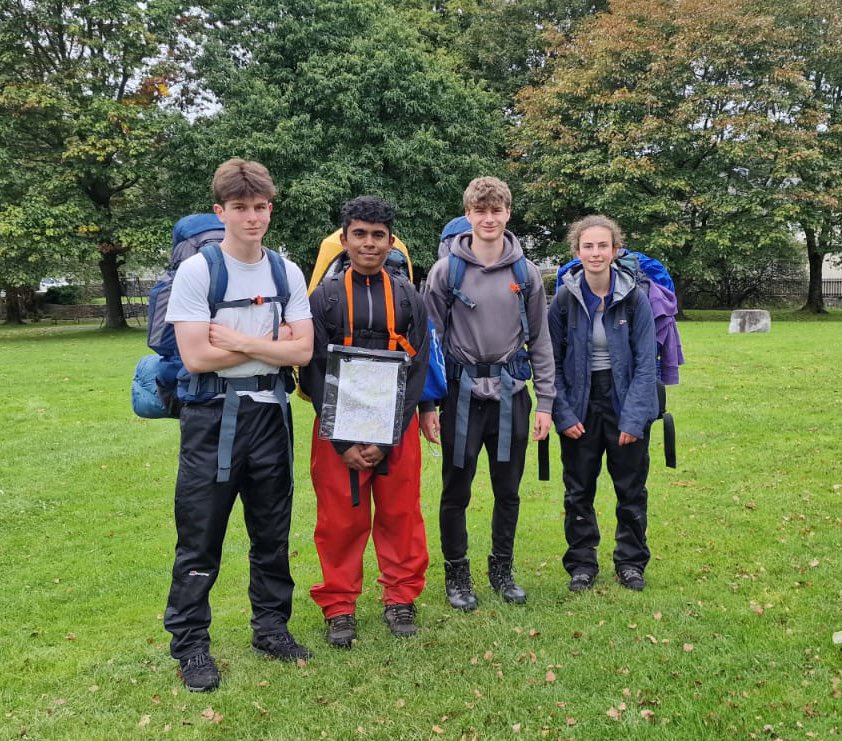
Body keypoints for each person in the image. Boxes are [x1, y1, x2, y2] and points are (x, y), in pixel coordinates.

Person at [163, 158, 314, 692]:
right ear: (220, 211)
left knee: (271, 532)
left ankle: (271, 628)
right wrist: (273, 350)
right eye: (241, 208)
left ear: (269, 208)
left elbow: (305, 349)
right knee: (201, 534)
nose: (253, 218)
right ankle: (190, 644)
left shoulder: (285, 271)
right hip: (213, 418)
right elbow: (197, 358)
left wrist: (243, 342)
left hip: (272, 413)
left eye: (260, 207)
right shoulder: (199, 271)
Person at [299, 196, 430, 648]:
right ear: (345, 239)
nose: (369, 244)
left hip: (397, 429)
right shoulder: (325, 299)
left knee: (401, 515)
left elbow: (418, 368)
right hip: (336, 430)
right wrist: (340, 440)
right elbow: (311, 368)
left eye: (378, 236)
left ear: (391, 241)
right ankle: (339, 607)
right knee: (339, 520)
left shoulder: (411, 297)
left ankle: (400, 598)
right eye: (360, 234)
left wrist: (390, 435)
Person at [421, 177, 554, 611]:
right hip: (460, 396)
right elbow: (430, 341)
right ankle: (456, 573)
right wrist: (429, 404)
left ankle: (502, 568)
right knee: (456, 490)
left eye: (496, 210)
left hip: (512, 393)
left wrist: (546, 403)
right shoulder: (447, 271)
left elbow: (541, 340)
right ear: (469, 215)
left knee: (508, 489)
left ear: (507, 214)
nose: (489, 218)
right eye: (481, 211)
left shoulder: (526, 272)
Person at [547, 215, 659, 593]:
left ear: (615, 250)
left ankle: (630, 561)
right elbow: (551, 362)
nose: (595, 253)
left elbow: (647, 363)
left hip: (624, 398)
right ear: (577, 251)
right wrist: (562, 412)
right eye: (588, 246)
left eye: (602, 245)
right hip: (579, 400)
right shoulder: (564, 298)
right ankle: (581, 562)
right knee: (578, 489)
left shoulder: (634, 298)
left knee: (631, 489)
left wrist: (634, 418)